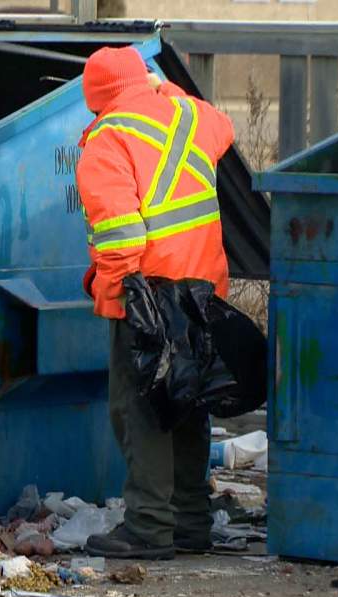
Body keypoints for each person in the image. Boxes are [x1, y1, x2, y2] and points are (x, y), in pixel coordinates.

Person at [75, 46, 234, 560]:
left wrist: (123, 294)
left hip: (149, 293)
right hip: (203, 288)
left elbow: (120, 233)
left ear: (94, 99)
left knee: (142, 410)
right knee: (188, 402)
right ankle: (191, 521)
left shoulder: (107, 138)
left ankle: (148, 526)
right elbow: (224, 127)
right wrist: (161, 88)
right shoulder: (191, 115)